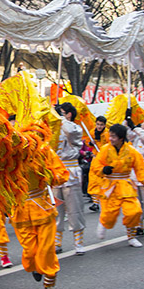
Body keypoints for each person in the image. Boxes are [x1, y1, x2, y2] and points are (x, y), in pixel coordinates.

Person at [10, 123, 69, 289]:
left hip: (43, 207)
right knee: (29, 252)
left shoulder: (45, 153)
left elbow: (62, 174)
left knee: (46, 250)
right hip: (21, 209)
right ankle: (35, 266)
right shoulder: (12, 157)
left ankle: (50, 285)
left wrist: (49, 175)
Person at [90, 124, 144, 248]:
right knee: (109, 214)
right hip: (110, 185)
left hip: (125, 184)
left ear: (121, 138)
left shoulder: (131, 151)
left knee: (134, 211)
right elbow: (95, 166)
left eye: (114, 136)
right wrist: (104, 169)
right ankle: (103, 223)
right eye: (110, 136)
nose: (111, 138)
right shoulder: (105, 149)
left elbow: (140, 167)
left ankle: (131, 237)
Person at [53, 103, 86, 255]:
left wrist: (61, 118)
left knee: (74, 209)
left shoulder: (74, 128)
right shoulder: (55, 127)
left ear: (69, 114)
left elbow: (71, 133)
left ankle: (78, 243)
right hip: (56, 172)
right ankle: (57, 242)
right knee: (56, 209)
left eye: (62, 112)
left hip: (71, 170)